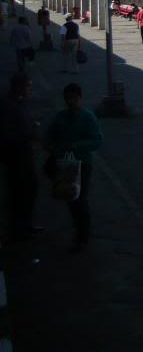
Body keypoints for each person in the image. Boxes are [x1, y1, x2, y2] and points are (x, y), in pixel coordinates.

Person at [44, 83, 103, 250]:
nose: (71, 102)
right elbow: (50, 136)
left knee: (80, 199)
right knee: (71, 198)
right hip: (65, 164)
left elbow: (97, 141)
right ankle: (80, 231)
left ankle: (83, 235)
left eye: (74, 99)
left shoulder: (88, 117)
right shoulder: (60, 117)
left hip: (82, 164)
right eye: (68, 99)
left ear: (80, 99)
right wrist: (51, 146)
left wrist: (77, 145)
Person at [0, 73, 40, 241]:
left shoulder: (23, 102)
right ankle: (17, 229)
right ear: (18, 87)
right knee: (18, 193)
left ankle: (26, 224)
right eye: (28, 86)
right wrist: (30, 132)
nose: (31, 90)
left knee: (31, 189)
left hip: (26, 153)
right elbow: (6, 136)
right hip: (15, 156)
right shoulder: (8, 106)